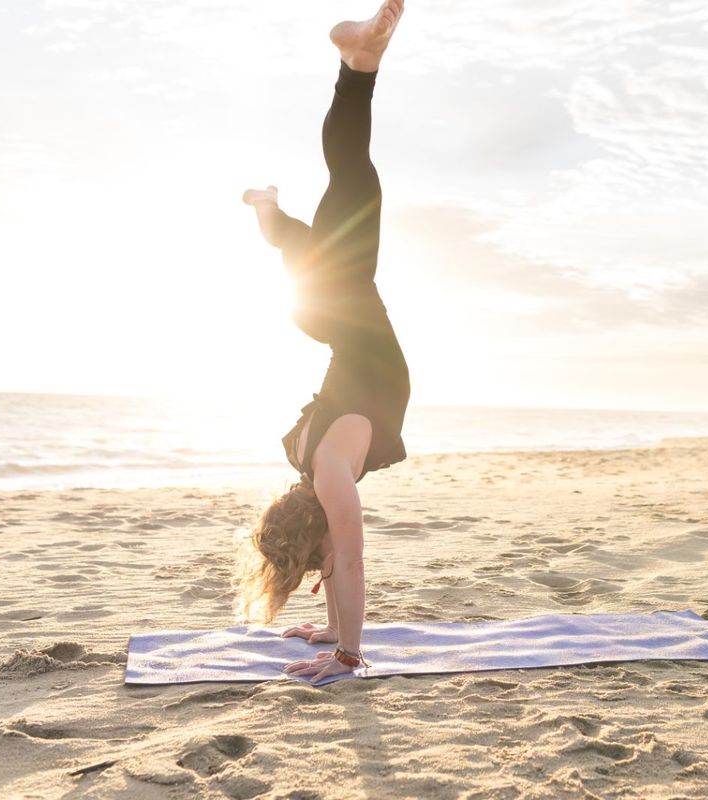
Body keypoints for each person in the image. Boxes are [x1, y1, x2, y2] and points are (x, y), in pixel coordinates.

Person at [236, 0, 408, 681]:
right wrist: (332, 627)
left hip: (342, 315)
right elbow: (341, 552)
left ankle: (357, 64)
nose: (325, 565)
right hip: (324, 316)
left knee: (352, 175)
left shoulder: (331, 474)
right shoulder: (310, 464)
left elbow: (352, 557)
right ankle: (269, 212)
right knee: (336, 197)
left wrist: (347, 656)